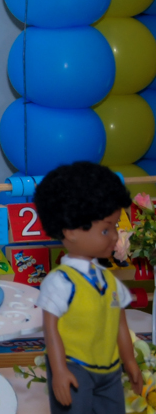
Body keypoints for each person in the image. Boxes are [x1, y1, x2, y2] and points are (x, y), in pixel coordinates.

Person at [34, 162, 141, 414]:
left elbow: (120, 324)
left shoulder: (110, 280)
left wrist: (130, 361)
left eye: (114, 226)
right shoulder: (61, 282)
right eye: (106, 228)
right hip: (74, 366)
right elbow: (51, 328)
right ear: (70, 231)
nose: (115, 236)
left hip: (110, 368)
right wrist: (59, 370)